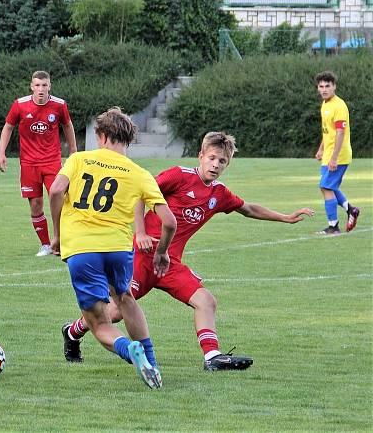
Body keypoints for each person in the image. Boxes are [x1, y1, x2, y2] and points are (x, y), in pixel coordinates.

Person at [61, 132, 315, 371]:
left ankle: (212, 357)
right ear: (201, 156)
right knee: (114, 312)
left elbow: (247, 208)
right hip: (144, 257)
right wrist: (140, 233)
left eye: (222, 161)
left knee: (206, 301)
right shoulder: (178, 176)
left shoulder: (219, 193)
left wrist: (285, 218)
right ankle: (73, 332)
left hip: (170, 263)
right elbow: (141, 196)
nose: (215, 165)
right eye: (212, 158)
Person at [50, 107, 177, 389]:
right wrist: (162, 252)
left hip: (83, 250)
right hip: (118, 249)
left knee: (99, 323)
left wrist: (57, 236)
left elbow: (57, 190)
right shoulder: (139, 172)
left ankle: (129, 350)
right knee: (125, 298)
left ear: (100, 135)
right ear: (128, 140)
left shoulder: (79, 159)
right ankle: (152, 361)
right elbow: (169, 221)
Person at [0, 70, 78, 257]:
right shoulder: (20, 105)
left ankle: (62, 241)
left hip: (52, 162)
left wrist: (73, 151)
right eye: (37, 85)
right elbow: (8, 126)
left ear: (49, 86)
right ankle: (46, 245)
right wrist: (1, 153)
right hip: (28, 163)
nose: (40, 89)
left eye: (44, 85)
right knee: (35, 204)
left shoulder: (59, 105)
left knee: (59, 201)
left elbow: (67, 125)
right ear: (31, 86)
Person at [314, 71, 360, 235]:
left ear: (334, 87)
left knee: (326, 186)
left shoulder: (339, 106)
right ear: (318, 88)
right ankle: (351, 210)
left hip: (339, 155)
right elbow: (328, 132)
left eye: (328, 86)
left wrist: (334, 158)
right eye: (321, 86)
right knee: (328, 187)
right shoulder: (325, 104)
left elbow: (340, 133)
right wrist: (321, 149)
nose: (324, 89)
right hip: (328, 155)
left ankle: (333, 226)